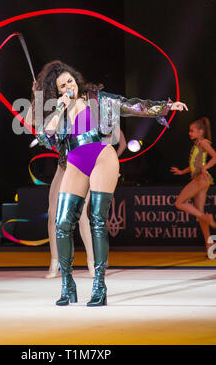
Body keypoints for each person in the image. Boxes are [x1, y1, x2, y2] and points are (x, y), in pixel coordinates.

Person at [32, 60, 188, 306]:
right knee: (62, 222)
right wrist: (60, 108)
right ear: (57, 90)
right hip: (75, 160)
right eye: (62, 86)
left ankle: (99, 286)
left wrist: (164, 107)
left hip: (102, 156)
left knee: (97, 219)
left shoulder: (96, 98)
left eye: (70, 81)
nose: (68, 86)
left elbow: (130, 105)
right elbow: (44, 135)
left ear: (76, 79)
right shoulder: (59, 109)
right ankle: (68, 285)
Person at [45, 128, 126, 279]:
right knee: (52, 214)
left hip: (85, 163)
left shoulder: (95, 112)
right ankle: (55, 264)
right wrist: (47, 133)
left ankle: (92, 263)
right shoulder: (64, 110)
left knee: (81, 215)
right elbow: (53, 140)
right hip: (64, 164)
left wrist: (109, 164)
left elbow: (111, 139)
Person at [170, 117, 216, 255]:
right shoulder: (197, 144)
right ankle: (210, 247)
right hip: (200, 179)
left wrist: (205, 167)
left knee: (179, 202)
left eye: (192, 131)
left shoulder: (203, 142)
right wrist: (182, 171)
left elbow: (215, 157)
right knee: (200, 215)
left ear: (200, 131)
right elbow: (194, 164)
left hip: (201, 179)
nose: (189, 133)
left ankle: (206, 217)